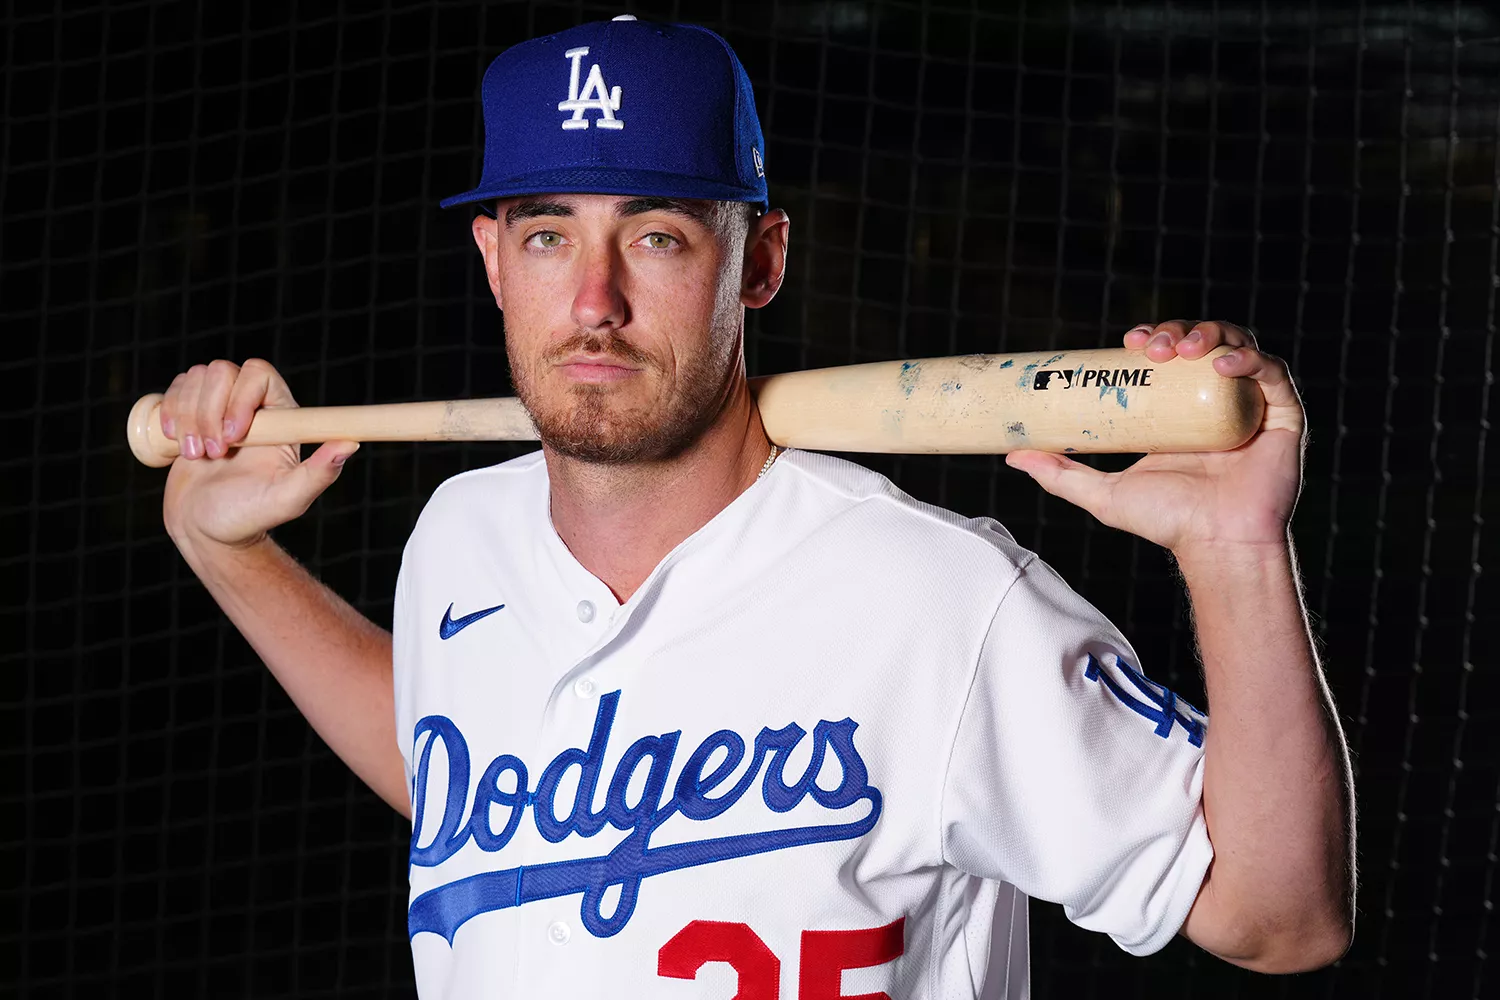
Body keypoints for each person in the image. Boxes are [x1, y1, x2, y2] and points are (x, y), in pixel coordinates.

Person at [155, 16, 1354, 999]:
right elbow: (462, 771)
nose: (594, 301)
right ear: (491, 259)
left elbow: (1282, 916)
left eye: (660, 235)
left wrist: (1235, 551)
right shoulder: (460, 536)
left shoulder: (936, 598)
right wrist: (227, 552)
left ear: (761, 261)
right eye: (547, 234)